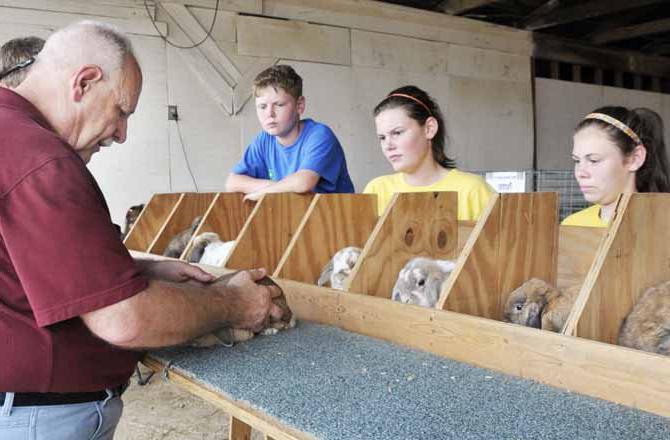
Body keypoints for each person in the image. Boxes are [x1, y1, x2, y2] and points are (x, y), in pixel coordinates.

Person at [0, 21, 285, 440]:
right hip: (40, 418)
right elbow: (124, 321)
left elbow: (24, 265)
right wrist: (233, 303)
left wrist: (143, 270)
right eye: (121, 112)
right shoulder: (42, 160)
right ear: (84, 82)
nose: (121, 134)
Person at [225, 64, 355, 201]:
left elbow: (303, 182)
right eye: (262, 106)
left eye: (279, 105)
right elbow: (232, 182)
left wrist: (264, 193)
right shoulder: (265, 140)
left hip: (334, 218)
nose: (270, 114)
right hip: (294, 217)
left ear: (300, 105)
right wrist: (274, 188)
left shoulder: (319, 135)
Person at [364, 85, 494, 220]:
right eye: (382, 137)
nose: (388, 145)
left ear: (429, 129)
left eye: (397, 132)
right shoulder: (376, 190)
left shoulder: (473, 190)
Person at [562, 106, 670, 227]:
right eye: (577, 160)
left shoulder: (663, 225)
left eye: (594, 160)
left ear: (635, 158)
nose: (580, 173)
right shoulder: (572, 225)